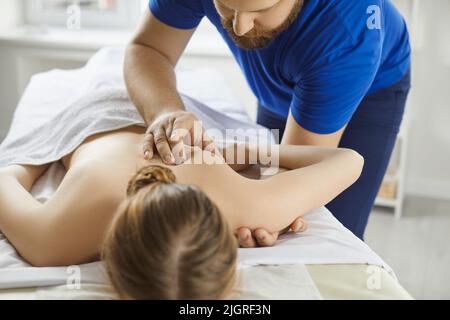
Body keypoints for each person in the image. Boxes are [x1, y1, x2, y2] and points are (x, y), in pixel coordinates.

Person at [124, 0, 411, 240]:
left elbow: (290, 174)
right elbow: (148, 48)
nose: (240, 27)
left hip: (369, 96)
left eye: (260, 10)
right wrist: (166, 111)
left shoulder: (348, 33)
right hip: (287, 78)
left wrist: (276, 207)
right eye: (226, 5)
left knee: (328, 227)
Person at [0, 125, 363, 299]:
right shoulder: (53, 241)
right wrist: (233, 154)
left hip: (140, 123)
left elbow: (348, 160)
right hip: (100, 119)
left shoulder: (56, 241)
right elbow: (349, 159)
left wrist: (243, 155)